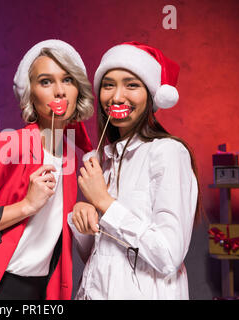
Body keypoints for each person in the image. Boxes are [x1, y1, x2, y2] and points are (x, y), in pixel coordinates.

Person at [0, 39, 95, 300]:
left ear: (78, 88)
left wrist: (82, 210)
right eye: (46, 81)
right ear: (30, 93)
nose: (59, 91)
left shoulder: (69, 154)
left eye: (67, 80)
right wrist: (26, 206)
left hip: (41, 292)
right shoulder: (5, 146)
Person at [70, 41, 204, 299]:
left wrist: (104, 202)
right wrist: (83, 215)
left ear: (152, 95)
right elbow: (101, 257)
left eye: (131, 85)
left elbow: (168, 255)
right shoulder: (105, 161)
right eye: (109, 85)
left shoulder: (168, 152)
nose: (117, 96)